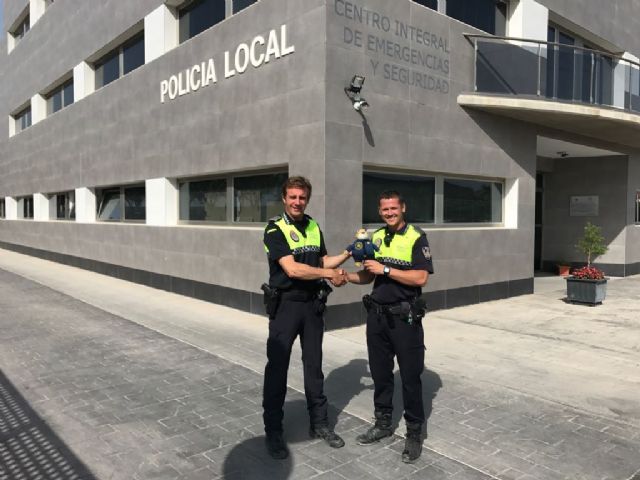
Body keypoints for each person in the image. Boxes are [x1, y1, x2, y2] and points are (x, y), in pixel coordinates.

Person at [262, 176, 351, 459]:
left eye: (302, 197)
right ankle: (273, 431)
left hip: (312, 306)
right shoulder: (275, 229)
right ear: (284, 199)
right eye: (293, 197)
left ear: (307, 199)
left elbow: (322, 261)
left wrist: (349, 252)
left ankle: (320, 423)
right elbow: (293, 269)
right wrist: (329, 274)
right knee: (277, 369)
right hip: (286, 306)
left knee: (314, 366)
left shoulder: (313, 226)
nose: (297, 202)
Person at [345, 190, 434, 463]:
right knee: (381, 375)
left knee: (410, 378)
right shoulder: (376, 237)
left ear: (402, 208)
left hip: (404, 320)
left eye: (393, 208)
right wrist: (344, 276)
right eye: (385, 209)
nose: (389, 213)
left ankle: (414, 433)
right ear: (380, 211)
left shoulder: (416, 237)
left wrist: (385, 269)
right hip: (377, 318)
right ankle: (383, 423)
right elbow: (367, 275)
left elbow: (421, 278)